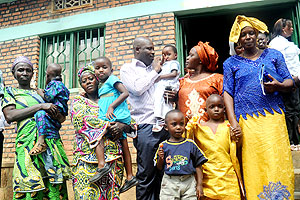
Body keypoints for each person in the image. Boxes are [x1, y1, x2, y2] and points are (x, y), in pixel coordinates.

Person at [224, 15, 294, 199]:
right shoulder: (230, 64)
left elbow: (289, 82)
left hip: (273, 118)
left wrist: (278, 86)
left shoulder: (274, 55)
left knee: (276, 159)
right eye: (243, 35)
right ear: (237, 40)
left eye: (250, 33)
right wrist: (233, 123)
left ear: (256, 34)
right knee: (253, 163)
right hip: (247, 123)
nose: (247, 37)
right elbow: (227, 93)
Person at [2, 56, 70, 200]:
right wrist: (40, 106)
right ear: (14, 73)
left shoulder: (42, 93)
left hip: (51, 143)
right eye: (20, 70)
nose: (25, 73)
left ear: (33, 74)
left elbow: (62, 118)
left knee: (53, 187)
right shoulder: (11, 92)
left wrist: (57, 114)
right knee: (29, 186)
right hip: (27, 145)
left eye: (28, 70)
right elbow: (10, 115)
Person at [70, 64, 131, 199]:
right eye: (83, 81)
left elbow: (127, 120)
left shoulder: (111, 98)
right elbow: (82, 121)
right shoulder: (79, 101)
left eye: (91, 79)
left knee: (110, 195)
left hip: (113, 159)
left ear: (97, 79)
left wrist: (122, 126)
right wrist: (109, 126)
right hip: (85, 159)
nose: (88, 83)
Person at [120, 36, 169, 200]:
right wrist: (156, 72)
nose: (153, 51)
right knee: (147, 175)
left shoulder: (158, 70)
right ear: (137, 50)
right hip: (145, 126)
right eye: (149, 48)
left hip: (164, 126)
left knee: (163, 175)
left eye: (153, 48)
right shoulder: (128, 69)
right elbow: (137, 88)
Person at [89, 56, 138, 192]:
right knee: (124, 146)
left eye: (104, 67)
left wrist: (111, 106)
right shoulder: (102, 85)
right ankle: (130, 177)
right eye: (97, 68)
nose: (100, 70)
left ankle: (101, 165)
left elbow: (125, 93)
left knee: (97, 135)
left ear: (111, 69)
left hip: (117, 116)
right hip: (115, 117)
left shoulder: (112, 79)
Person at [186, 94, 242, 200]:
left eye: (220, 106)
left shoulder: (229, 126)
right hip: (207, 177)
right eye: (212, 107)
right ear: (205, 110)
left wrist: (237, 136)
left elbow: (238, 148)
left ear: (224, 109)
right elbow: (188, 145)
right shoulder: (198, 127)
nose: (216, 109)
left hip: (228, 177)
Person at [154, 109, 207, 200]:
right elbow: (159, 168)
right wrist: (161, 159)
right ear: (166, 127)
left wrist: (199, 185)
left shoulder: (190, 144)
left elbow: (198, 165)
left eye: (181, 124)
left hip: (189, 182)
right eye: (174, 124)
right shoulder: (163, 146)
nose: (178, 127)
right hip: (169, 183)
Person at [269, 18, 300, 147]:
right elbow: (279, 64)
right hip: (289, 82)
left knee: (296, 109)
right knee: (291, 110)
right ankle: (293, 140)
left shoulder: (286, 42)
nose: (292, 29)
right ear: (283, 29)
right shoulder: (276, 44)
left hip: (296, 80)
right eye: (290, 27)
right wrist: (289, 79)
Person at [29, 63, 70, 155]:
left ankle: (41, 142)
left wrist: (40, 92)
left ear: (47, 76)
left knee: (40, 114)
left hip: (54, 110)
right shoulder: (62, 85)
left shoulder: (54, 84)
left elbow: (48, 98)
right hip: (59, 113)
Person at [177, 41, 223, 122]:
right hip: (187, 131)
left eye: (191, 55)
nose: (187, 58)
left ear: (201, 60)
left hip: (210, 131)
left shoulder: (218, 79)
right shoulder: (183, 82)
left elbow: (225, 105)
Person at [153, 44, 180, 131]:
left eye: (168, 54)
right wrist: (160, 63)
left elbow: (174, 74)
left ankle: (163, 121)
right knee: (160, 102)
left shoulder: (174, 63)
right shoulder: (165, 64)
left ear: (175, 55)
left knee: (165, 103)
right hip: (163, 85)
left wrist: (161, 77)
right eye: (164, 55)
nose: (166, 57)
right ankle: (160, 120)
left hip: (169, 85)